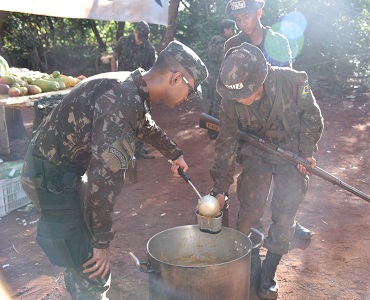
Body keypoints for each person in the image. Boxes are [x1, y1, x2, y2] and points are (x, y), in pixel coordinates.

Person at [21, 41, 208, 299]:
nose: (190, 97)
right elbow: (102, 182)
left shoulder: (133, 87)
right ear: (176, 78)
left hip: (60, 168)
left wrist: (173, 153)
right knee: (90, 264)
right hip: (49, 177)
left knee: (82, 247)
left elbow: (145, 122)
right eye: (191, 90)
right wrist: (100, 244)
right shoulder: (122, 101)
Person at [210, 43, 323, 299]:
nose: (239, 100)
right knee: (249, 214)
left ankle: (268, 272)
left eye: (245, 94)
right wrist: (220, 188)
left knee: (284, 215)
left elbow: (312, 116)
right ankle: (254, 268)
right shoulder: (230, 98)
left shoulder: (293, 81)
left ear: (259, 79)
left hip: (291, 153)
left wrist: (306, 152)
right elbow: (226, 143)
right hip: (255, 155)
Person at [224, 0, 312, 240]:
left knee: (287, 178)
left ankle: (288, 223)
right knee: (254, 188)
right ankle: (254, 230)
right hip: (252, 128)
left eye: (247, 17)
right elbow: (231, 89)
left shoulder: (278, 42)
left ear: (259, 12)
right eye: (238, 19)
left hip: (280, 125)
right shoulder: (233, 45)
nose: (242, 24)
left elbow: (289, 88)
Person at [111, 20, 158, 158]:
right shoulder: (123, 42)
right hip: (122, 83)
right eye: (140, 36)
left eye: (144, 38)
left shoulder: (149, 48)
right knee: (120, 116)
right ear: (135, 32)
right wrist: (113, 76)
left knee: (141, 117)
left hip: (139, 87)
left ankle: (138, 149)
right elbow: (114, 58)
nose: (142, 41)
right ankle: (119, 149)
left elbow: (152, 70)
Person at [206, 19, 238, 139]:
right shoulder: (225, 44)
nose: (235, 32)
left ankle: (209, 127)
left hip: (213, 76)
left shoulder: (213, 41)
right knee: (218, 104)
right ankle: (214, 130)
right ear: (226, 30)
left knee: (213, 103)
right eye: (233, 29)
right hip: (220, 77)